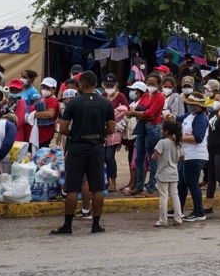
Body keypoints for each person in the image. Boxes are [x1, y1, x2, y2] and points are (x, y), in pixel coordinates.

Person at [50, 72, 114, 235]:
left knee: (72, 188)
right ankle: (96, 225)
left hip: (77, 148)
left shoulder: (73, 103)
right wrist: (98, 133)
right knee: (97, 188)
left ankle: (67, 225)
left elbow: (63, 129)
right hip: (97, 148)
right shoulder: (106, 103)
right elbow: (111, 129)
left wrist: (77, 134)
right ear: (95, 84)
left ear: (82, 85)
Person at [125, 76, 165, 197]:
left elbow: (150, 114)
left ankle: (150, 188)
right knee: (139, 158)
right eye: (149, 83)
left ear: (159, 84)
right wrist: (140, 113)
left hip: (153, 129)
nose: (150, 85)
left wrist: (135, 113)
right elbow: (141, 109)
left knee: (152, 160)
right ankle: (139, 186)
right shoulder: (146, 95)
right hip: (143, 127)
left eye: (153, 83)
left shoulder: (160, 97)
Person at [176, 92, 210, 222]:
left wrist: (179, 138)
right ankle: (179, 209)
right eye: (190, 104)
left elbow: (198, 138)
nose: (191, 107)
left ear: (201, 106)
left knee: (192, 183)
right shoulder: (190, 115)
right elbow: (177, 118)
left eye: (194, 105)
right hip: (186, 155)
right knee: (181, 184)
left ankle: (198, 212)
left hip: (195, 155)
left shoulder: (201, 118)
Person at [152, 118, 184, 227]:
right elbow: (182, 157)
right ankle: (178, 218)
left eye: (162, 129)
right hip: (174, 173)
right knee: (175, 195)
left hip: (163, 173)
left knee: (163, 196)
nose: (161, 130)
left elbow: (154, 156)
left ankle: (163, 220)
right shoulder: (177, 143)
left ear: (166, 131)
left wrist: (153, 156)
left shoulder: (162, 142)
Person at [100, 75, 127, 192]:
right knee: (103, 157)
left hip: (116, 130)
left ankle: (113, 182)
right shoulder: (103, 96)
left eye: (111, 85)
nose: (109, 87)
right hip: (104, 130)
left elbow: (127, 110)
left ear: (116, 85)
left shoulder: (121, 96)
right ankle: (105, 180)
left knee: (109, 156)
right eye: (107, 85)